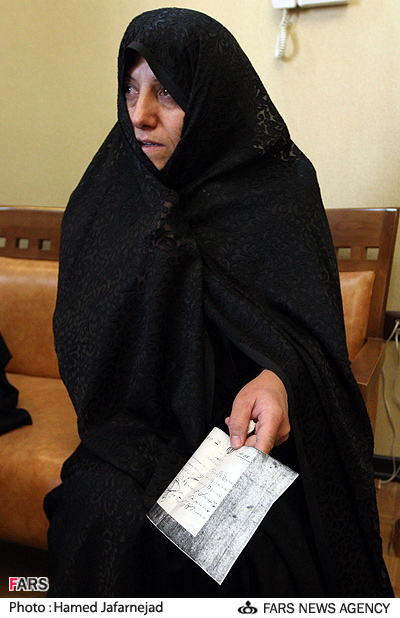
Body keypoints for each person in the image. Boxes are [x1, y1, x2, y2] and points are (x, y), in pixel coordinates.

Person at [44, 8, 393, 598]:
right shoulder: (111, 193)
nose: (140, 114)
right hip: (136, 431)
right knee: (98, 517)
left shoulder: (279, 192)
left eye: (167, 93)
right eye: (130, 89)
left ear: (212, 98)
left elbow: (313, 340)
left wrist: (279, 379)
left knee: (258, 559)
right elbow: (86, 342)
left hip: (246, 439)